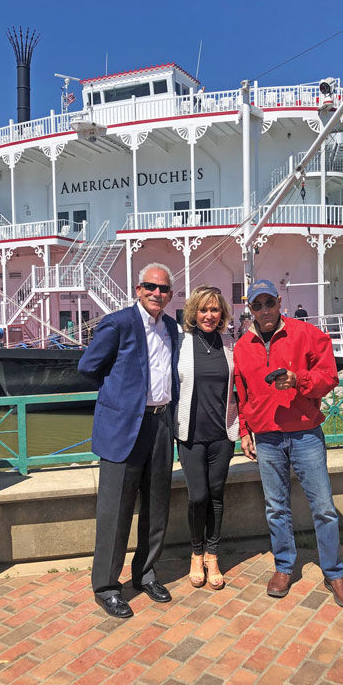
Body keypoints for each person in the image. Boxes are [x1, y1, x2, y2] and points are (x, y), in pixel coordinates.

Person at [233, 278, 343, 608]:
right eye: (256, 306)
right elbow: (242, 394)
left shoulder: (306, 334)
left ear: (279, 302)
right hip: (267, 437)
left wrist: (298, 380)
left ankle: (334, 572)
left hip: (304, 433)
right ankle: (284, 567)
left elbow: (329, 377)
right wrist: (245, 431)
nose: (264, 310)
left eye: (268, 303)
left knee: (324, 508)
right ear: (250, 310)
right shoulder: (243, 346)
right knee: (276, 507)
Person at [78, 263, 180, 619]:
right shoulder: (119, 323)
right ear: (138, 289)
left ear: (170, 294)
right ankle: (106, 586)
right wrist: (120, 401)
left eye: (164, 289)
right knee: (115, 513)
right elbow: (89, 366)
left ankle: (146, 573)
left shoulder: (171, 328)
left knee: (157, 508)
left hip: (161, 425)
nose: (157, 293)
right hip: (125, 429)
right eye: (150, 286)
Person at [175, 286, 239, 589]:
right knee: (197, 496)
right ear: (193, 313)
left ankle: (212, 555)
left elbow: (240, 389)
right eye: (203, 310)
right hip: (189, 434)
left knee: (216, 495)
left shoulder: (229, 344)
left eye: (214, 310)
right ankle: (195, 552)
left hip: (222, 434)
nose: (209, 315)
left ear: (222, 313)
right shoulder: (181, 343)